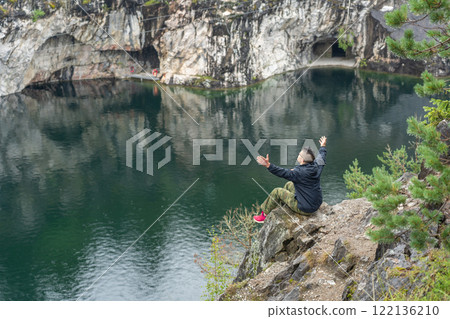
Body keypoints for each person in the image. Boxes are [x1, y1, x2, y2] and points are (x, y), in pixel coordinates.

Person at [254, 136, 327, 223]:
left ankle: (264, 215)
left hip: (305, 208)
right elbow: (321, 156)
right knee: (289, 184)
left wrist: (268, 165)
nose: (298, 155)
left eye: (299, 154)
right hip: (316, 203)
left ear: (302, 160)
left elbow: (282, 172)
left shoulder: (299, 173)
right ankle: (281, 205)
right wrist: (323, 146)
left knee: (277, 191)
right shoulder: (316, 165)